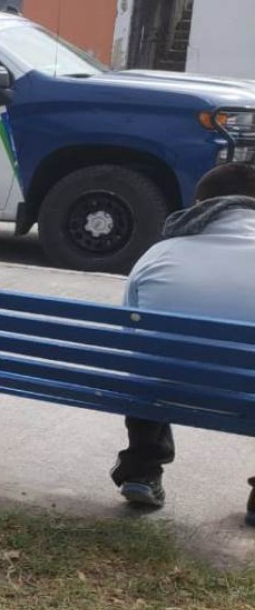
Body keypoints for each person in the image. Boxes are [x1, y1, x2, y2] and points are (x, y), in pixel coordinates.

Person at [111, 163, 255, 509]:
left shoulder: (159, 253)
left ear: (199, 205)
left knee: (150, 364)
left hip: (164, 388)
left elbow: (131, 335)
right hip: (247, 394)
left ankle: (142, 471)